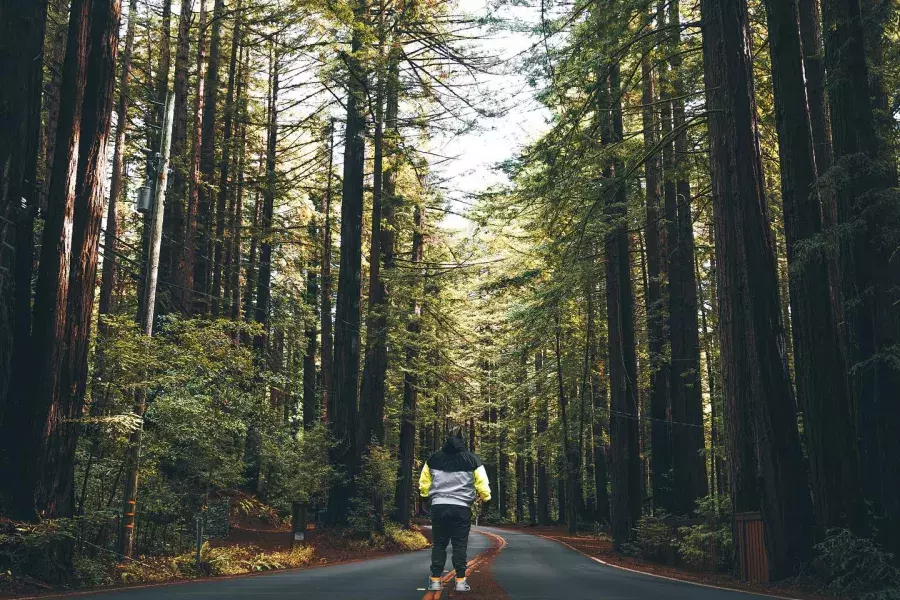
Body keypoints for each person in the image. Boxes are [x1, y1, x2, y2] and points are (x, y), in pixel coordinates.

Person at [419, 426, 491, 593]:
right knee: (460, 545)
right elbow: (482, 482)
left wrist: (424, 497)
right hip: (461, 509)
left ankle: (435, 580)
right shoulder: (472, 459)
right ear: (462, 443)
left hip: (439, 507)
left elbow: (424, 482)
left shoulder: (433, 459)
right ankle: (460, 581)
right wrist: (486, 499)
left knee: (439, 544)